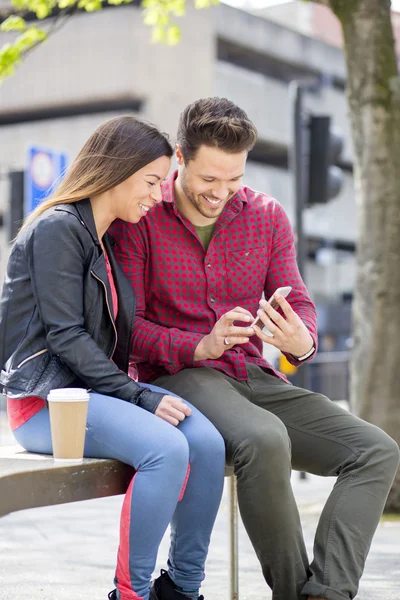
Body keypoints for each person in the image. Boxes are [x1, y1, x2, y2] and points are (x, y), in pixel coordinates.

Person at [109, 98, 400, 600]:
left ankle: (326, 594)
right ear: (180, 156)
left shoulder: (265, 216)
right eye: (209, 180)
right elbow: (126, 331)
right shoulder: (142, 217)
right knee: (264, 439)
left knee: (375, 451)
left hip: (252, 375)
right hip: (176, 376)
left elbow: (300, 300)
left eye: (233, 180)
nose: (220, 194)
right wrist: (199, 345)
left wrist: (300, 339)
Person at [0, 115, 226, 600]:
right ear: (118, 171)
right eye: (149, 182)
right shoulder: (59, 230)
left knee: (206, 443)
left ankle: (183, 589)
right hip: (46, 402)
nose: (155, 195)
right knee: (166, 450)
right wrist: (140, 396)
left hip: (93, 392)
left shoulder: (105, 238)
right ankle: (132, 593)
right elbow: (66, 337)